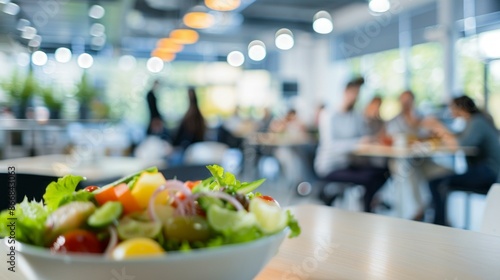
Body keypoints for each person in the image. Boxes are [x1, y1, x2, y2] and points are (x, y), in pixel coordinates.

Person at [314, 77, 389, 212]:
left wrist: (373, 123)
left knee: (383, 171)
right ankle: (366, 209)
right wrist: (357, 142)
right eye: (353, 93)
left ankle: (367, 202)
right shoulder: (329, 115)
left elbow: (364, 136)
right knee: (369, 178)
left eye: (358, 94)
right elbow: (331, 145)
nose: (355, 97)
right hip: (330, 166)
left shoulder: (356, 116)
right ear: (345, 92)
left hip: (349, 163)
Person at [424, 95, 500, 225]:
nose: (450, 111)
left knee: (437, 183)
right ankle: (439, 221)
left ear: (460, 108)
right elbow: (458, 137)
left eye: (452, 108)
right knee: (438, 182)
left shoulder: (478, 122)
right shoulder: (472, 122)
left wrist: (440, 127)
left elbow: (459, 144)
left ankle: (439, 223)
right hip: (483, 171)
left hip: (489, 173)